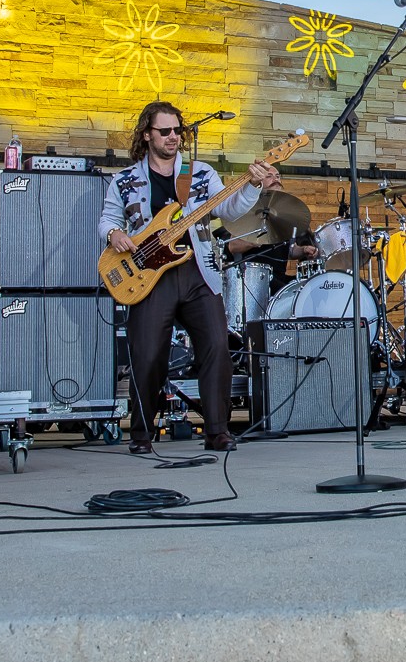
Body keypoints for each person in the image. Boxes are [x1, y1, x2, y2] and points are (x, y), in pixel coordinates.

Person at [99, 101, 277, 454]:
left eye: (177, 131)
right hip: (148, 275)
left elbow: (228, 210)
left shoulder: (200, 173)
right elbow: (108, 217)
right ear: (147, 134)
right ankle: (141, 433)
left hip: (197, 270)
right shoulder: (126, 179)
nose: (173, 137)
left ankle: (217, 430)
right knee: (148, 355)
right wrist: (113, 234)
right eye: (164, 131)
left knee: (216, 346)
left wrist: (253, 187)